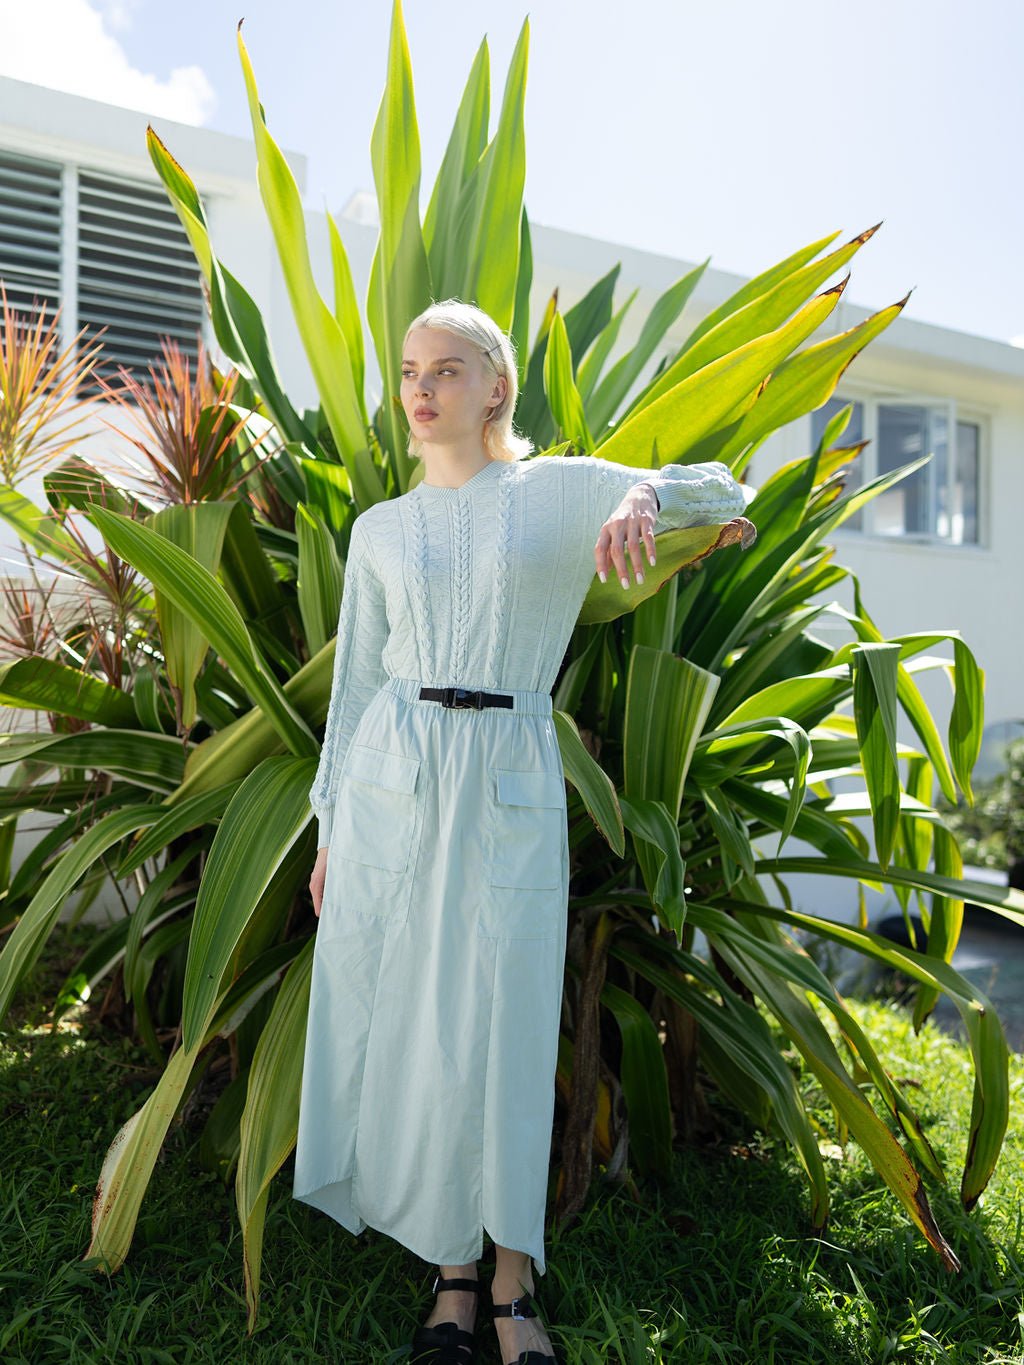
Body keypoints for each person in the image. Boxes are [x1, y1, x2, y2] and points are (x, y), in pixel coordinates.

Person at [293, 298, 749, 1365]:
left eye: (446, 369)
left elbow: (726, 493)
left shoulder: (549, 494)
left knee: (502, 1021)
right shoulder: (381, 532)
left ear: (495, 385)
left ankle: (512, 1283)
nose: (420, 388)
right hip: (393, 787)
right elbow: (356, 686)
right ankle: (451, 1275)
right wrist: (327, 828)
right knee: (418, 1027)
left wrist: (645, 497)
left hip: (506, 772)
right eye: (409, 370)